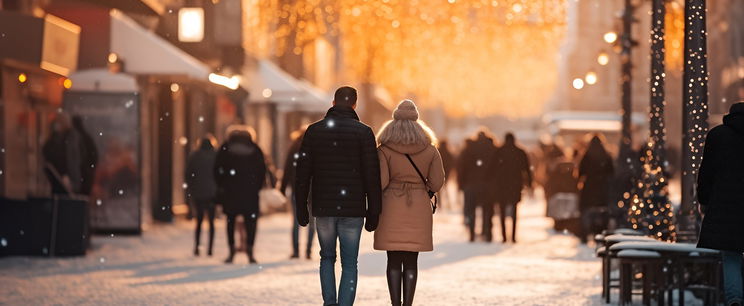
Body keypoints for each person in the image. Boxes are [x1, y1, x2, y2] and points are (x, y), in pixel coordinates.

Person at [295, 86, 382, 306]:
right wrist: (374, 211)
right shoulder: (364, 133)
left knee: (326, 257)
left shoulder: (314, 131)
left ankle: (330, 303)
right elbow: (372, 175)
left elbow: (303, 173)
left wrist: (301, 207)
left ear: (333, 103)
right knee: (350, 263)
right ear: (355, 104)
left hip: (323, 207)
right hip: (353, 209)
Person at [375, 100, 445, 306]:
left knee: (393, 259)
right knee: (412, 260)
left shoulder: (385, 148)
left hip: (391, 208)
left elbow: (382, 182)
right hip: (418, 207)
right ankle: (408, 304)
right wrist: (423, 189)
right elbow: (437, 182)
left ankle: (395, 303)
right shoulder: (430, 149)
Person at [697, 102, 744, 306]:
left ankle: (734, 298)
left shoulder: (717, 136)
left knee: (731, 255)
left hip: (725, 205)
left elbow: (706, 172)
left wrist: (704, 200)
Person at [214, 126, 267, 264]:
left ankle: (231, 251)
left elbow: (216, 168)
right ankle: (250, 251)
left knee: (230, 221)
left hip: (231, 191)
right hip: (250, 192)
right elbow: (262, 170)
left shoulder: (226, 148)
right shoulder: (255, 149)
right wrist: (256, 186)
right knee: (251, 222)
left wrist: (222, 184)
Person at [456, 129, 498, 242]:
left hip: (470, 185)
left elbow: (461, 168)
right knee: (488, 210)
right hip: (488, 185)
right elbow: (498, 169)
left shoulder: (468, 149)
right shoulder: (493, 149)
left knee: (470, 209)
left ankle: (471, 233)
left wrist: (461, 184)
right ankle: (487, 233)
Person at [280, 127, 315, 260]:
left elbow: (287, 168)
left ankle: (295, 251)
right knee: (312, 222)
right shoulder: (316, 147)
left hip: (297, 189)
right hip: (313, 191)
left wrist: (282, 188)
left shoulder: (295, 147)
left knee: (295, 221)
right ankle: (308, 251)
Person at [491, 133, 532, 243]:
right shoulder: (520, 152)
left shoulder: (499, 151)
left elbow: (492, 169)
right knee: (514, 211)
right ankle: (513, 236)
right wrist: (530, 183)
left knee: (502, 211)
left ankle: (504, 236)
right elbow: (527, 169)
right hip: (515, 184)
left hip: (501, 185)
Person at [577, 135, 614, 243]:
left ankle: (584, 235)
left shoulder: (586, 155)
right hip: (602, 189)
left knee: (586, 212)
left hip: (589, 188)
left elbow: (580, 173)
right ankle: (600, 233)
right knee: (602, 213)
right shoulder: (606, 156)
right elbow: (611, 173)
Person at [186, 136, 218, 256]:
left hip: (198, 193)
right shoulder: (216, 155)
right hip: (212, 193)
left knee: (199, 221)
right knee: (211, 222)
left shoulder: (194, 156)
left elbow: (188, 174)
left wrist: (192, 188)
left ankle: (197, 247)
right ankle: (210, 249)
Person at [43, 113, 82, 195]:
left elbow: (73, 160)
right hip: (61, 176)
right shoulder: (60, 137)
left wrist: (70, 177)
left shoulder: (70, 138)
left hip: (66, 177)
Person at [72, 116, 98, 196]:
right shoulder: (86, 137)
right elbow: (94, 155)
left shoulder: (75, 138)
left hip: (81, 173)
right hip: (85, 174)